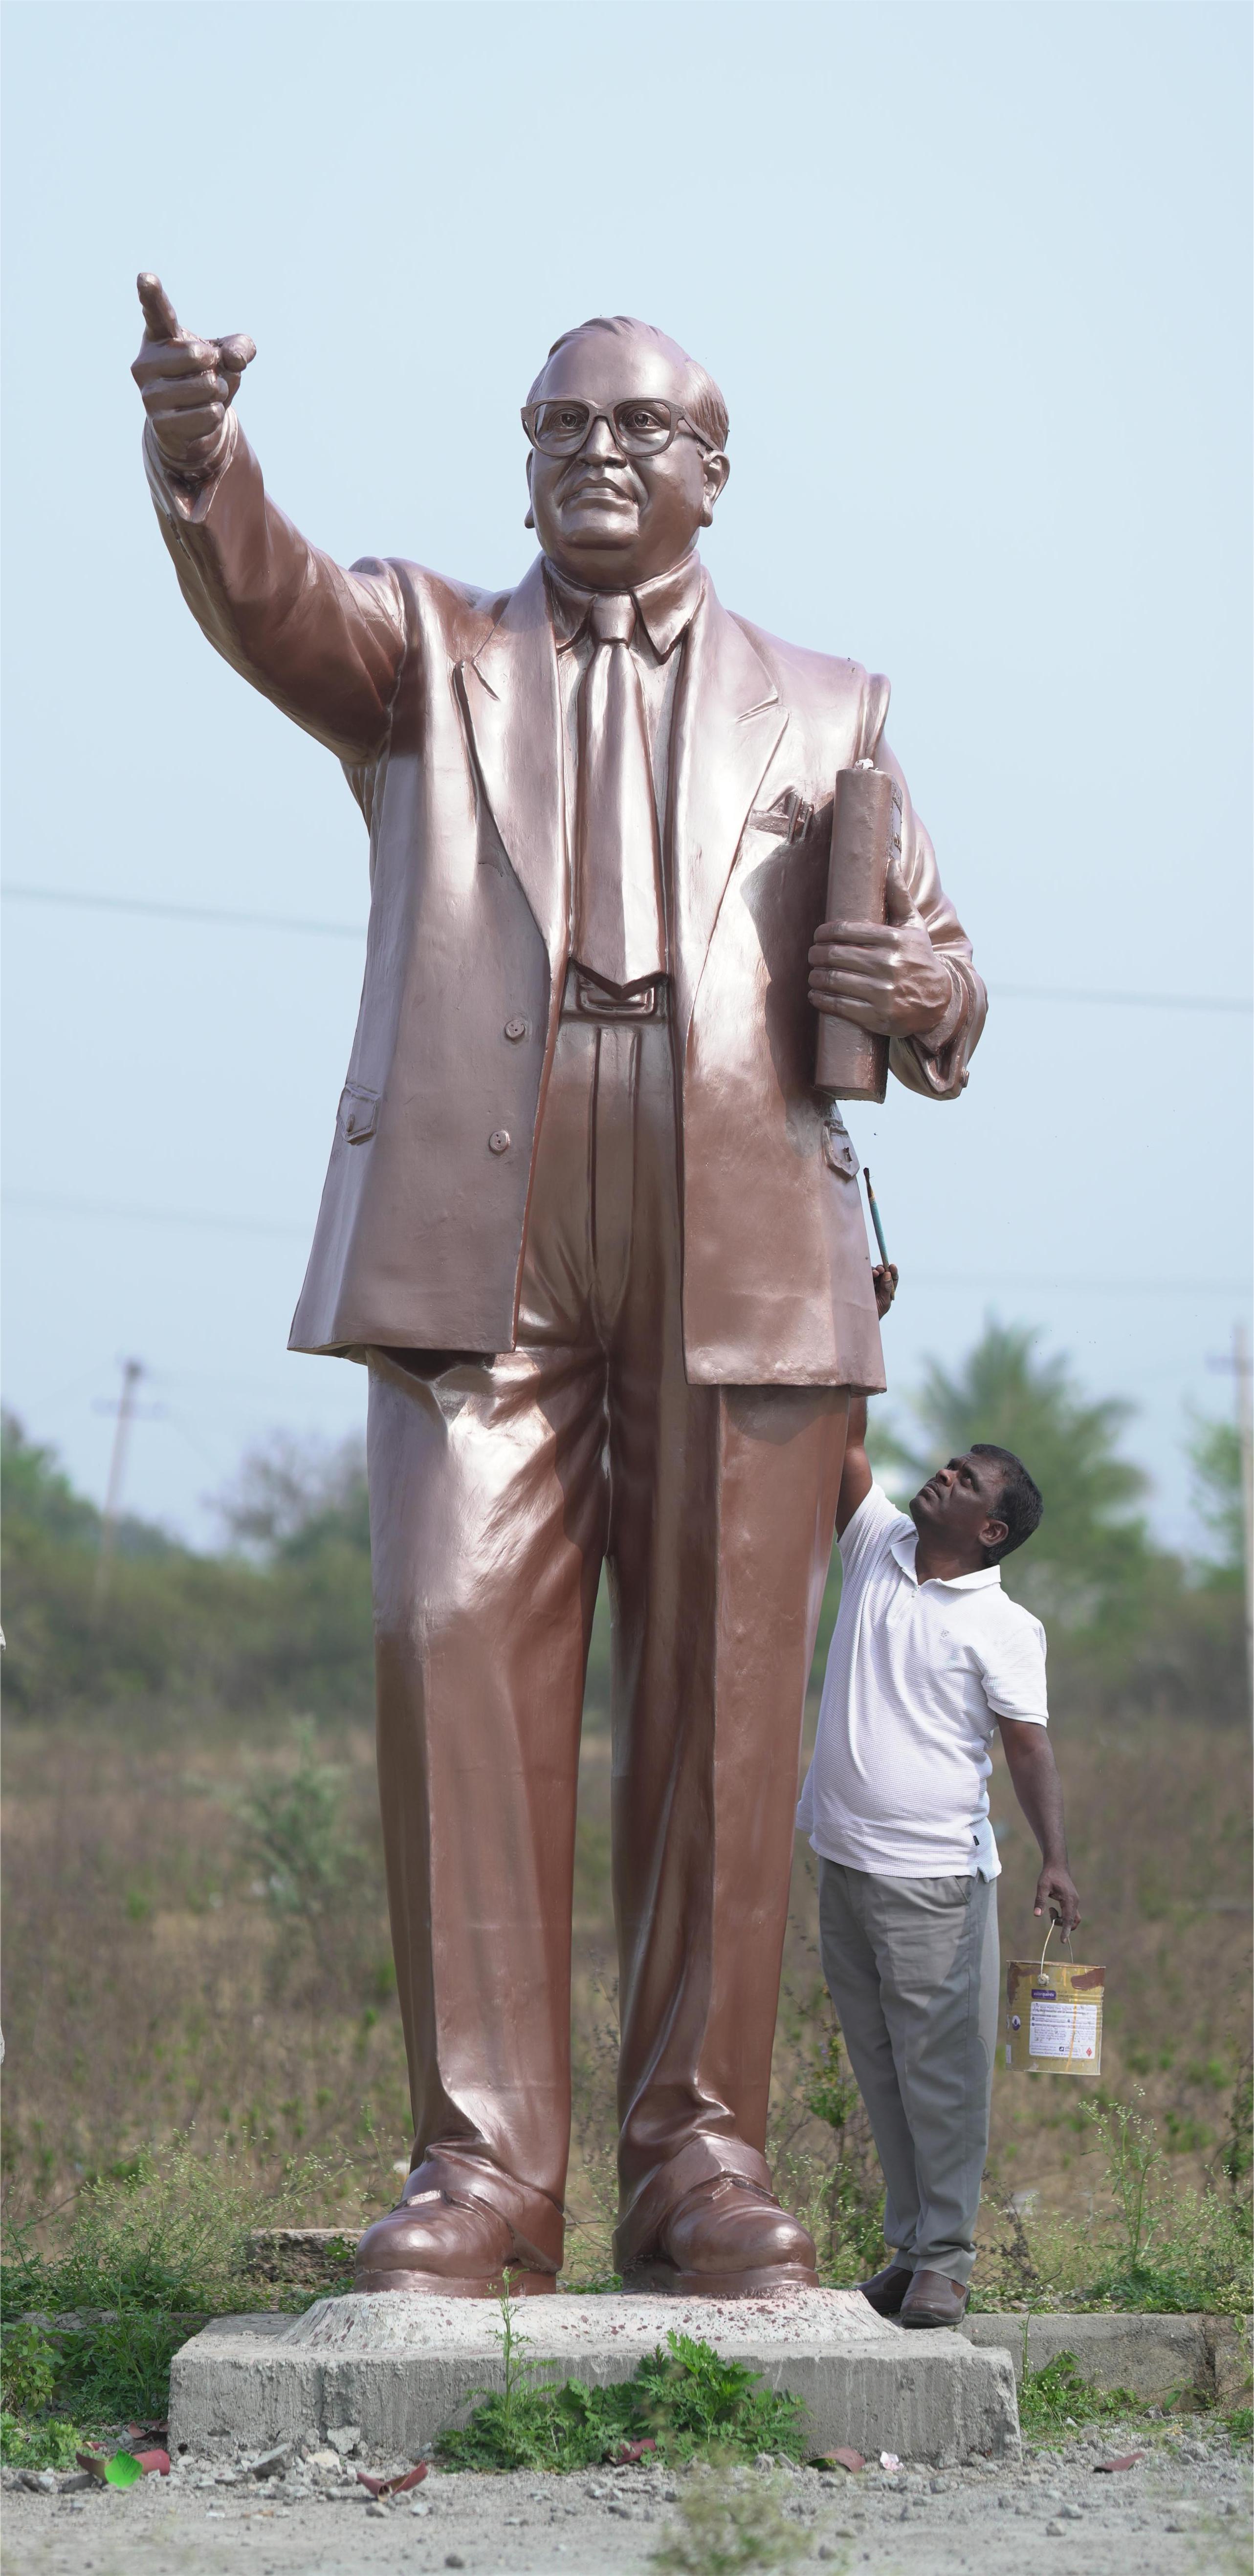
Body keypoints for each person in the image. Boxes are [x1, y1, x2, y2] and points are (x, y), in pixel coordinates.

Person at [131, 281, 987, 2298]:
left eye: (630, 429)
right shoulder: (429, 652)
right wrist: (199, 457)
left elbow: (947, 969)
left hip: (738, 1224)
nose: (588, 456)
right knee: (449, 1655)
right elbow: (271, 604)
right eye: (553, 427)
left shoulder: (827, 705)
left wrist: (920, 989)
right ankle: (483, 2172)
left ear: (709, 473)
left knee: (718, 1710)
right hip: (477, 1224)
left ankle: (696, 2161)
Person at [798, 1301, 1079, 2326]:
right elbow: (847, 1439)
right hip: (843, 1860)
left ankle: (946, 2261)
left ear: (990, 1529)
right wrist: (853, 1318)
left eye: (966, 1481)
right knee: (880, 2066)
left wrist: (1054, 1856)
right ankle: (909, 2247)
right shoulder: (875, 1543)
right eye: (950, 1465)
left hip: (933, 1881)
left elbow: (1026, 1746)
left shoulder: (1004, 1625)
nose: (942, 1476)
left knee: (942, 2073)